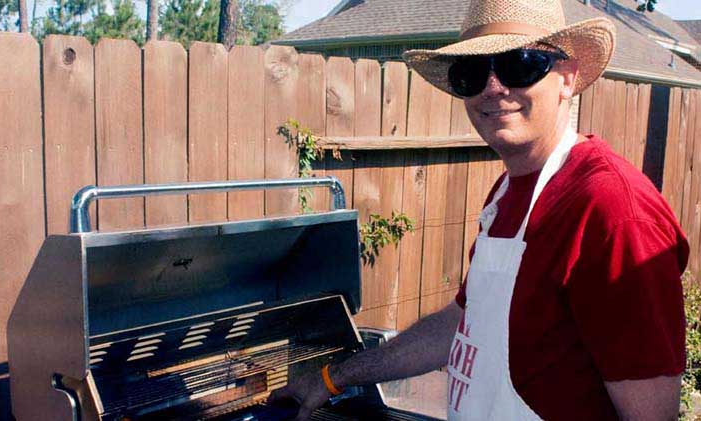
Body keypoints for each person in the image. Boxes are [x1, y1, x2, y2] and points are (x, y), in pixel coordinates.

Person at [269, 0, 689, 419]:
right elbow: (460, 323)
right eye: (471, 73)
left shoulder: (613, 212)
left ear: (568, 76)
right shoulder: (506, 191)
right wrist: (332, 377)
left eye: (519, 64)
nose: (492, 88)